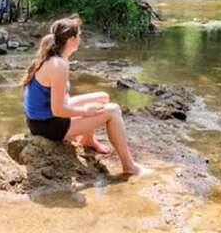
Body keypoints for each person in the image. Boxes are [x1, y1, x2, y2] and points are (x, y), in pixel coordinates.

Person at [22, 16, 152, 176]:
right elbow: (57, 110)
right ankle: (129, 166)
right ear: (71, 39)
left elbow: (60, 97)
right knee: (112, 111)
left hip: (41, 117)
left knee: (103, 97)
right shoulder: (58, 65)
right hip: (46, 125)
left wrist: (84, 110)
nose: (80, 38)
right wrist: (85, 111)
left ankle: (88, 140)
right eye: (79, 35)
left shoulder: (57, 57)